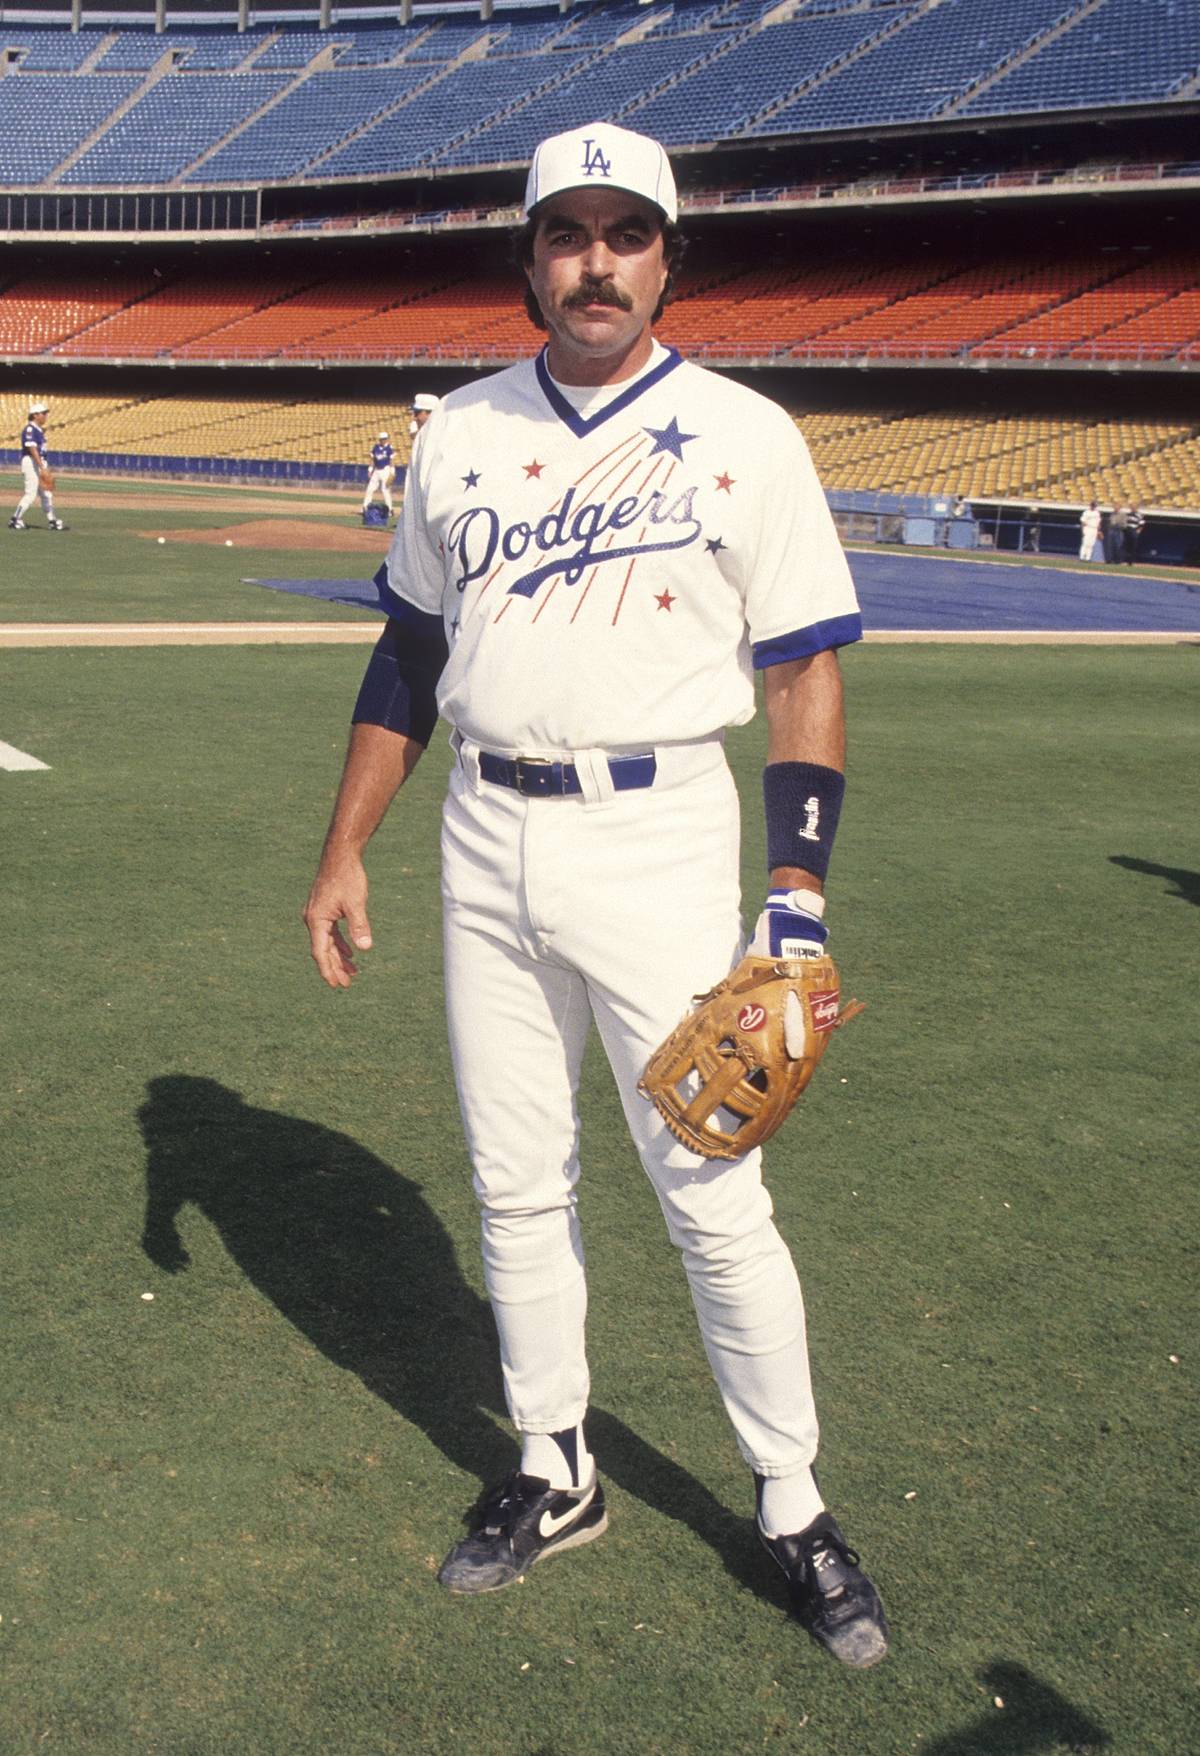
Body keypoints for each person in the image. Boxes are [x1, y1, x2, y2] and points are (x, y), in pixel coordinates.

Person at [302, 121, 887, 1670]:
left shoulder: (747, 432)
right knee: (514, 1183)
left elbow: (801, 672)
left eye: (629, 232)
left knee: (709, 1184)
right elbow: (410, 655)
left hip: (663, 834)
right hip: (485, 835)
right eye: (569, 232)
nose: (598, 260)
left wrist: (800, 897)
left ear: (668, 259)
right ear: (530, 260)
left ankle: (792, 1500)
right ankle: (555, 1466)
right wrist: (345, 843)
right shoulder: (462, 432)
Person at [9, 399, 64, 532]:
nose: (45, 416)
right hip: (31, 462)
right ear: (35, 415)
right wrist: (42, 466)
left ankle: (52, 521)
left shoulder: (38, 430)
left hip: (38, 463)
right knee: (31, 494)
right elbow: (32, 448)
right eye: (43, 413)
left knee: (46, 494)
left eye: (45, 413)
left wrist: (44, 466)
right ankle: (15, 519)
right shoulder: (30, 429)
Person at [362, 430, 396, 520]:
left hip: (385, 470)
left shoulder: (389, 448)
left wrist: (392, 472)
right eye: (382, 439)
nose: (383, 440)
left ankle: (390, 509)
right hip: (377, 470)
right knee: (370, 489)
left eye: (384, 439)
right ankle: (365, 507)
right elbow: (373, 460)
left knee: (385, 490)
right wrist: (370, 470)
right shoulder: (376, 447)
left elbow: (391, 461)